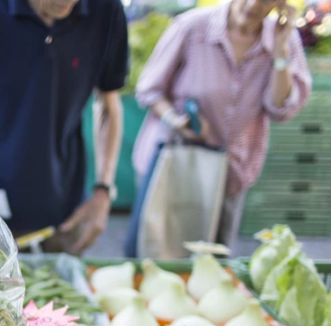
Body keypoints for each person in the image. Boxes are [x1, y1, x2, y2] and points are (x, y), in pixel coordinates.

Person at [0, 0, 129, 254]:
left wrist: (103, 191)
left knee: (57, 288)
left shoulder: (106, 10)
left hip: (65, 213)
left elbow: (108, 105)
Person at [127, 0, 311, 254]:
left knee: (213, 256)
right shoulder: (192, 27)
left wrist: (280, 53)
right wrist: (177, 121)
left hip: (231, 169)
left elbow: (280, 109)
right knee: (157, 249)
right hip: (174, 161)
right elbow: (149, 89)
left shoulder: (284, 40)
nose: (253, 4)